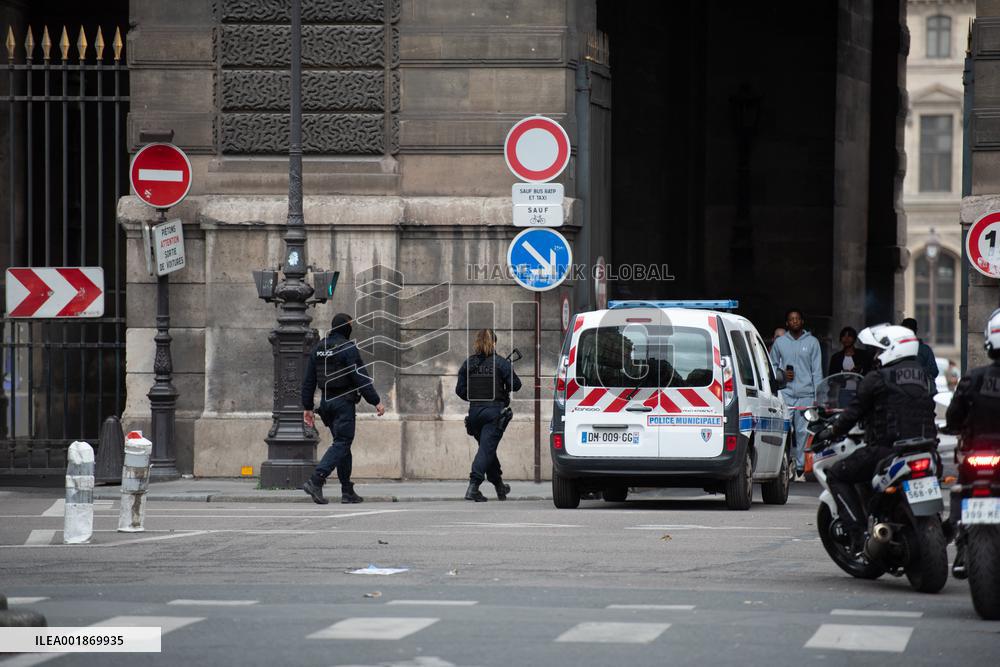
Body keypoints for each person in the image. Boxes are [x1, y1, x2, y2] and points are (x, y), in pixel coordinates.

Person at [818, 324, 937, 553]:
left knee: (836, 475)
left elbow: (853, 413)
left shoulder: (877, 378)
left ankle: (859, 534)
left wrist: (832, 431)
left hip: (887, 450)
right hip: (926, 449)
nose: (876, 355)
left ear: (892, 349)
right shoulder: (925, 377)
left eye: (879, 350)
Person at [301, 313, 386, 505]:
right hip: (343, 403)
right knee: (342, 443)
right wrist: (376, 401)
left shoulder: (319, 348)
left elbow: (308, 381)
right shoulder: (347, 348)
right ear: (344, 327)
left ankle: (347, 491)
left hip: (326, 403)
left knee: (343, 446)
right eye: (350, 325)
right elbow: (360, 377)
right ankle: (316, 480)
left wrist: (307, 407)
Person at [944, 308, 1000, 578]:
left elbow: (954, 415)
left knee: (960, 489)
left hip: (977, 454)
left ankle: (961, 548)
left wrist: (954, 428)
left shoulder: (974, 378)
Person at [455, 329, 522, 502]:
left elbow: (460, 390)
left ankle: (500, 486)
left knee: (487, 448)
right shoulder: (501, 363)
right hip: (493, 414)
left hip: (475, 413)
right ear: (494, 343)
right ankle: (473, 487)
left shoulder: (468, 363)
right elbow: (516, 385)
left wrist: (476, 397)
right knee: (486, 449)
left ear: (476, 343)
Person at [770, 309, 823, 480]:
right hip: (785, 393)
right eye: (791, 319)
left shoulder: (813, 342)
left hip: (806, 394)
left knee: (802, 432)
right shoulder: (780, 343)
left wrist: (818, 396)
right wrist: (782, 374)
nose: (794, 321)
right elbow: (770, 366)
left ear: (802, 322)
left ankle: (799, 468)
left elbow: (817, 371)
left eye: (797, 319)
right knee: (785, 430)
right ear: (787, 323)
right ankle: (784, 465)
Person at [901, 317, 939, 394]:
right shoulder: (925, 349)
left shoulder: (924, 349)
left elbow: (934, 371)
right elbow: (934, 371)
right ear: (916, 330)